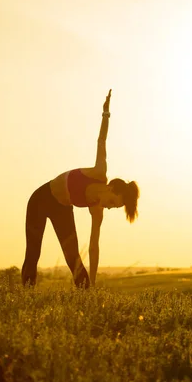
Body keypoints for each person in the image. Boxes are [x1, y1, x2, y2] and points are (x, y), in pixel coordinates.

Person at [21, 90, 139, 288]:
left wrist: (93, 282)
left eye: (113, 208)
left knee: (73, 258)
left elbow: (94, 247)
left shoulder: (97, 210)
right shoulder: (99, 172)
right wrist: (106, 114)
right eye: (112, 202)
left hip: (62, 209)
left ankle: (86, 295)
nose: (108, 208)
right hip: (41, 199)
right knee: (33, 251)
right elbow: (102, 140)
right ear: (110, 188)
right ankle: (26, 295)